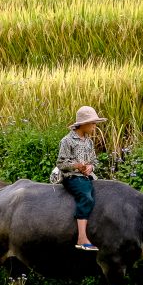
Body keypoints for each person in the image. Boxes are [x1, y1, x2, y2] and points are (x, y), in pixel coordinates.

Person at [57, 106, 107, 251]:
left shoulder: (89, 142)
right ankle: (82, 238)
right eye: (92, 123)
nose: (94, 126)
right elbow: (61, 163)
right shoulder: (67, 141)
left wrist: (91, 167)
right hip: (72, 177)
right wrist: (76, 166)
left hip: (87, 176)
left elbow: (94, 161)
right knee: (86, 197)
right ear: (83, 124)